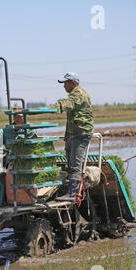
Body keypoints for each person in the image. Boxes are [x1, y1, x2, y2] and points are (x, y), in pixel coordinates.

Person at [50, 72, 94, 201]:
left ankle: (73, 194)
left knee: (75, 164)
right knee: (70, 162)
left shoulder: (78, 94)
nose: (64, 86)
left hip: (81, 133)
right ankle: (71, 190)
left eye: (66, 83)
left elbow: (68, 103)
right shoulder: (74, 94)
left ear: (73, 83)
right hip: (72, 134)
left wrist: (55, 107)